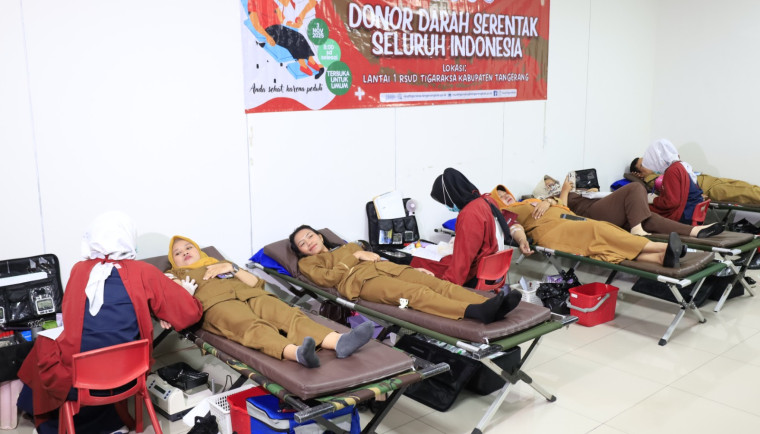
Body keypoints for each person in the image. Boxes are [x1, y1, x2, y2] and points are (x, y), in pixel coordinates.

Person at [16, 211, 204, 433]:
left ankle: (45, 413)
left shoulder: (79, 270)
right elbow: (188, 313)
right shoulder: (144, 272)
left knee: (43, 347)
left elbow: (71, 318)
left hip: (80, 381)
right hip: (130, 376)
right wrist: (177, 299)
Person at [167, 236, 373, 368]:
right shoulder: (173, 275)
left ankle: (339, 342)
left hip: (251, 294)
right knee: (250, 326)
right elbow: (170, 300)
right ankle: (297, 354)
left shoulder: (221, 263)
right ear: (173, 261)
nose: (185, 252)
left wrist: (232, 268)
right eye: (178, 253)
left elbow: (256, 283)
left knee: (289, 314)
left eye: (188, 247)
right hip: (216, 305)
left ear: (198, 249)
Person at [290, 225, 523, 324]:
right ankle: (474, 311)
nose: (308, 242)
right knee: (414, 294)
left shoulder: (348, 245)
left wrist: (411, 268)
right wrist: (356, 257)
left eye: (310, 236)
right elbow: (328, 279)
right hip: (363, 283)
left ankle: (490, 303)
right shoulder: (307, 263)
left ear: (320, 236)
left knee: (437, 283)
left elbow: (376, 258)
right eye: (302, 243)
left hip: (388, 269)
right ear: (300, 251)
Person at [409, 168, 532, 287]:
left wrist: (447, 287)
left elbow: (462, 262)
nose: (447, 206)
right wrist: (522, 239)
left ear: (451, 196)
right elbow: (508, 224)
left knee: (416, 263)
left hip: (475, 274)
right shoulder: (488, 200)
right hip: (492, 271)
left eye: (445, 202)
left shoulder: (469, 213)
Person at [499, 190, 686, 268]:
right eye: (500, 196)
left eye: (505, 192)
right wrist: (522, 240)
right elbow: (514, 227)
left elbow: (561, 202)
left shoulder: (531, 200)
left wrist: (548, 201)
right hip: (553, 231)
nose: (505, 196)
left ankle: (661, 258)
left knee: (604, 244)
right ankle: (662, 247)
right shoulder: (506, 211)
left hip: (570, 220)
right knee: (600, 231)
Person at [529, 176, 724, 238]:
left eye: (553, 181)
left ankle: (694, 231)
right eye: (549, 184)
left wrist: (587, 191)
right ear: (543, 191)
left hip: (598, 205)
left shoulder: (571, 192)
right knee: (636, 187)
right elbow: (562, 212)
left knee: (649, 218)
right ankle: (636, 230)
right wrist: (559, 193)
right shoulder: (547, 200)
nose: (553, 184)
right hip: (591, 214)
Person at [629, 139, 705, 223]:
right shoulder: (682, 165)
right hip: (694, 211)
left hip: (685, 214)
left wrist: (654, 200)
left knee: (642, 209)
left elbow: (671, 203)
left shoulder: (672, 171)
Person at [247, 0, 325, 78]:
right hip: (269, 29)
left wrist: (292, 24)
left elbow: (281, 17)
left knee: (299, 36)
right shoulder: (252, 2)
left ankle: (310, 60)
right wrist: (267, 36)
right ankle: (303, 65)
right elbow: (256, 24)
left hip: (278, 27)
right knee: (291, 40)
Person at [631, 160, 760, 206]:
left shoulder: (661, 169)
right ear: (639, 174)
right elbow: (676, 191)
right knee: (748, 193)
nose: (648, 163)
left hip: (712, 180)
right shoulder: (653, 180)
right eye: (643, 164)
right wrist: (696, 196)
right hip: (708, 189)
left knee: (749, 187)